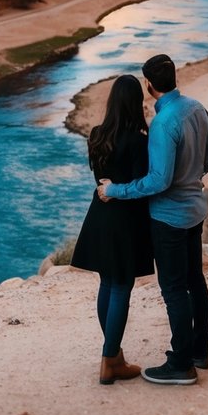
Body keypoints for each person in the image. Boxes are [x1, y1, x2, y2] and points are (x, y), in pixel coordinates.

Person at [98, 53, 208, 386]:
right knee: (195, 281)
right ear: (173, 77)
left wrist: (116, 190)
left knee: (175, 290)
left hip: (169, 217)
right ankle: (199, 351)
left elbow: (158, 182)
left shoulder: (163, 124)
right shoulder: (198, 109)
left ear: (149, 85)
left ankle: (180, 364)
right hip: (195, 210)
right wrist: (189, 178)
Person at [71, 73, 154, 385]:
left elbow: (100, 180)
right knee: (120, 287)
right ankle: (110, 361)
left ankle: (114, 355)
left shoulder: (96, 135)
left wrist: (111, 186)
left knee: (107, 284)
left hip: (99, 215)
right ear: (134, 103)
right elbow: (141, 186)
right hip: (125, 220)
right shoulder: (138, 141)